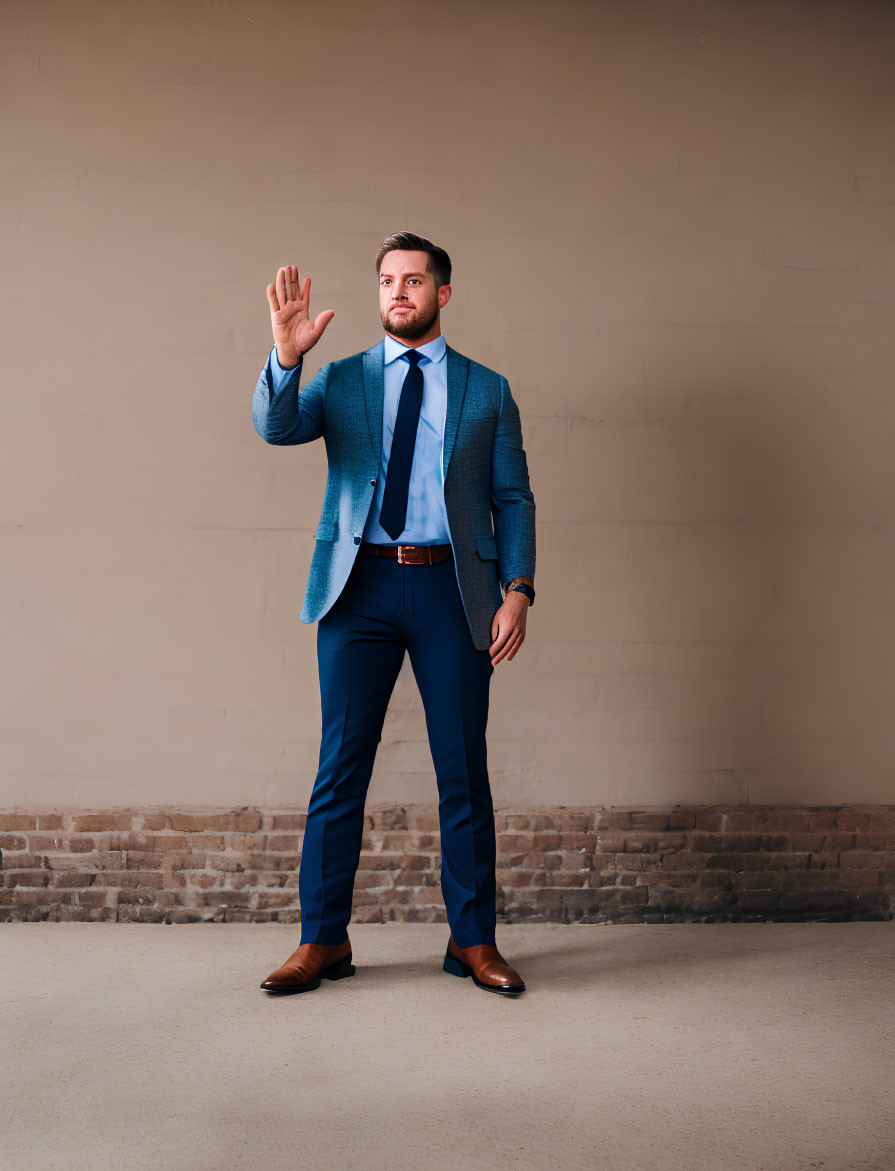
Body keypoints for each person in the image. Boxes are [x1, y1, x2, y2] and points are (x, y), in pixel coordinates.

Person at [252, 231, 536, 998]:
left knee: (462, 772)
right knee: (339, 767)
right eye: (386, 281)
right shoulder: (341, 381)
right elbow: (275, 427)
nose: (398, 292)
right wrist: (286, 356)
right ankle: (322, 938)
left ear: (442, 294)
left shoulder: (487, 389)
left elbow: (511, 497)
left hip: (453, 591)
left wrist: (517, 588)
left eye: (413, 281)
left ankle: (472, 939)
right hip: (358, 590)